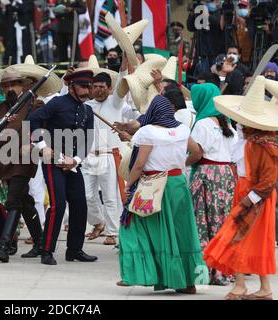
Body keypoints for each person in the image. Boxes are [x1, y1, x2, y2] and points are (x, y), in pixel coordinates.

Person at [117, 95, 207, 293]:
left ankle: (141, 273)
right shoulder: (182, 129)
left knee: (137, 228)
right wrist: (179, 165)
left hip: (152, 185)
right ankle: (187, 282)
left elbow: (139, 164)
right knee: (180, 231)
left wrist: (128, 185)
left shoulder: (147, 132)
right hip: (177, 184)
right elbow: (198, 153)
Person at [204, 76, 278, 300]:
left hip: (256, 196)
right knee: (249, 238)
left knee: (240, 236)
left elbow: (269, 177)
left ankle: (241, 285)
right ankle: (257, 287)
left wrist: (251, 198)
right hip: (246, 192)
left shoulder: (264, 145)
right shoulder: (249, 139)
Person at [29, 70, 97, 265]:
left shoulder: (87, 110)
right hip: (53, 161)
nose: (87, 91)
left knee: (80, 206)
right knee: (57, 205)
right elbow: (33, 120)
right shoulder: (57, 103)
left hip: (73, 165)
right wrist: (42, 146)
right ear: (71, 86)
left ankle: (74, 250)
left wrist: (75, 160)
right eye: (83, 87)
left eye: (88, 87)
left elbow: (88, 138)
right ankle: (46, 250)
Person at [0, 67, 44, 262]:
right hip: (6, 159)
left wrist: (30, 145)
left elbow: (42, 132)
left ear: (23, 85)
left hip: (24, 159)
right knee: (25, 202)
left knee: (12, 201)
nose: (10, 88)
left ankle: (5, 244)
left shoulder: (35, 104)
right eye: (6, 85)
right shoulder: (1, 107)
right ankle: (40, 241)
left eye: (13, 84)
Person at [186, 83, 237, 286]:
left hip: (207, 174)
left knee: (202, 222)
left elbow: (197, 152)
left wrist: (182, 162)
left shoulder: (203, 124)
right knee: (222, 222)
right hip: (226, 174)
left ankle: (205, 270)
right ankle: (223, 270)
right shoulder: (227, 123)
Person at [82, 55, 129, 246]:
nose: (99, 90)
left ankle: (112, 232)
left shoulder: (115, 102)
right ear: (91, 88)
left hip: (109, 156)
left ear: (109, 89)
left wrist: (124, 62)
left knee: (110, 197)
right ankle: (98, 222)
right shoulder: (86, 106)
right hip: (88, 157)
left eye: (103, 87)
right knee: (86, 196)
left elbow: (122, 84)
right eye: (95, 87)